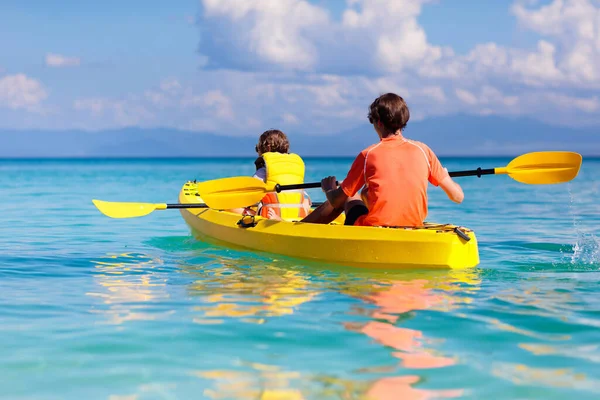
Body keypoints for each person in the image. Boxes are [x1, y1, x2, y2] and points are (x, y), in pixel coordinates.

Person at [301, 93, 464, 227]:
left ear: (378, 122)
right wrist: (445, 176)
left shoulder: (368, 154)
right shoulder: (424, 151)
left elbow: (337, 200)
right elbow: (458, 197)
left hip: (373, 229)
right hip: (413, 227)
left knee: (349, 197)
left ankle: (301, 230)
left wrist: (329, 189)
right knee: (364, 194)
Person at [231, 129, 312, 220]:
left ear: (267, 148)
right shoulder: (296, 168)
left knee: (230, 205)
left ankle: (269, 217)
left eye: (257, 148)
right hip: (296, 217)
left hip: (270, 216)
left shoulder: (264, 171)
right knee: (305, 200)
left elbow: (249, 196)